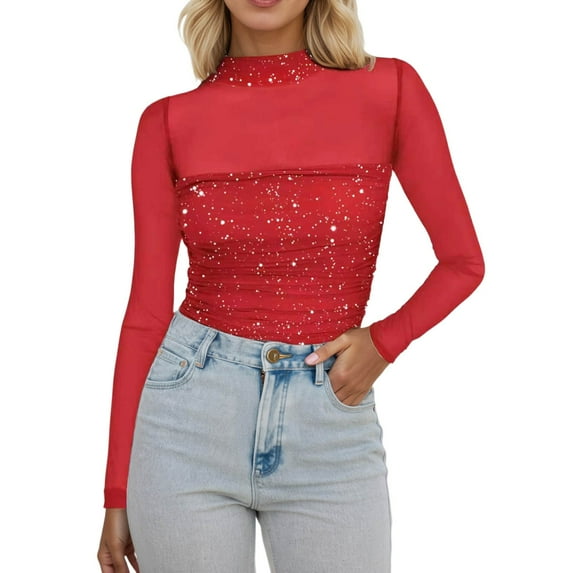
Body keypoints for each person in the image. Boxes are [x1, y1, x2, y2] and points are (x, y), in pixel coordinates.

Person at [97, 0, 485, 571]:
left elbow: (463, 262)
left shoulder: (390, 90)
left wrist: (384, 343)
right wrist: (116, 491)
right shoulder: (167, 122)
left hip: (330, 419)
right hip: (185, 422)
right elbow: (147, 314)